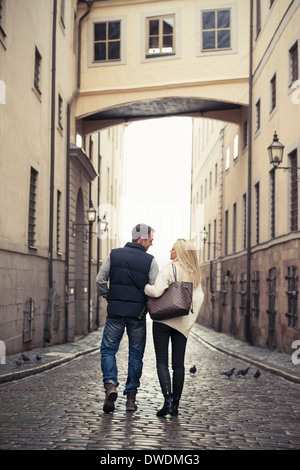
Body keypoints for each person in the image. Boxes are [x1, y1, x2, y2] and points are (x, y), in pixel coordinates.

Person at [96, 223, 159, 413]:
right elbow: (154, 289)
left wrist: (109, 295)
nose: (151, 244)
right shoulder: (150, 261)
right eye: (150, 240)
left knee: (108, 350)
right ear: (141, 239)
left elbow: (100, 280)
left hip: (115, 313)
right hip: (138, 315)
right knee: (136, 355)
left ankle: (110, 385)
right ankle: (130, 398)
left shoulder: (114, 255)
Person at [144, 239, 204, 417]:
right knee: (179, 365)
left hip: (163, 321)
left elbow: (156, 292)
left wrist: (145, 287)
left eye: (173, 249)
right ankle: (176, 405)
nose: (170, 252)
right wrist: (188, 322)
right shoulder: (195, 273)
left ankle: (167, 401)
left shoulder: (171, 268)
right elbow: (199, 299)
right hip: (182, 325)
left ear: (180, 252)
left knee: (162, 362)